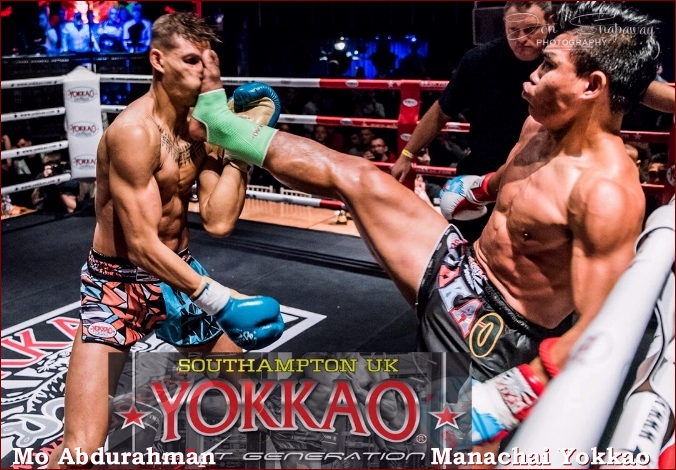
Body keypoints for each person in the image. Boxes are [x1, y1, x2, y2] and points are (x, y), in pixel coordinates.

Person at [188, 1, 665, 449]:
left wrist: (512, 395)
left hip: (496, 332)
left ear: (592, 85)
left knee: (448, 447)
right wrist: (478, 191)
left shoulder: (607, 193)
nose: (532, 75)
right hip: (460, 263)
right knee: (358, 177)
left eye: (549, 67)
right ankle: (227, 128)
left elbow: (602, 330)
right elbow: (511, 178)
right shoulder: (538, 127)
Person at [47, 13, 284, 468]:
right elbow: (140, 244)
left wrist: (244, 144)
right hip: (118, 286)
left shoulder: (203, 127)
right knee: (81, 446)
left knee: (249, 392)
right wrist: (221, 300)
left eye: (208, 62)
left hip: (179, 274)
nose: (202, 72)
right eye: (191, 60)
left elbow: (218, 220)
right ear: (158, 60)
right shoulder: (134, 133)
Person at [391, 2, 556, 244]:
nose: (521, 38)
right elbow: (442, 110)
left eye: (530, 29)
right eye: (513, 30)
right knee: (465, 244)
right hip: (482, 172)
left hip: (541, 175)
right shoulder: (479, 60)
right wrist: (407, 153)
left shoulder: (564, 63)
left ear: (550, 22)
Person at [266, 353, 397, 469]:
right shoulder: (311, 358)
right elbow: (282, 389)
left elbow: (391, 411)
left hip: (324, 434)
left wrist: (359, 392)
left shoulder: (373, 371)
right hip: (297, 426)